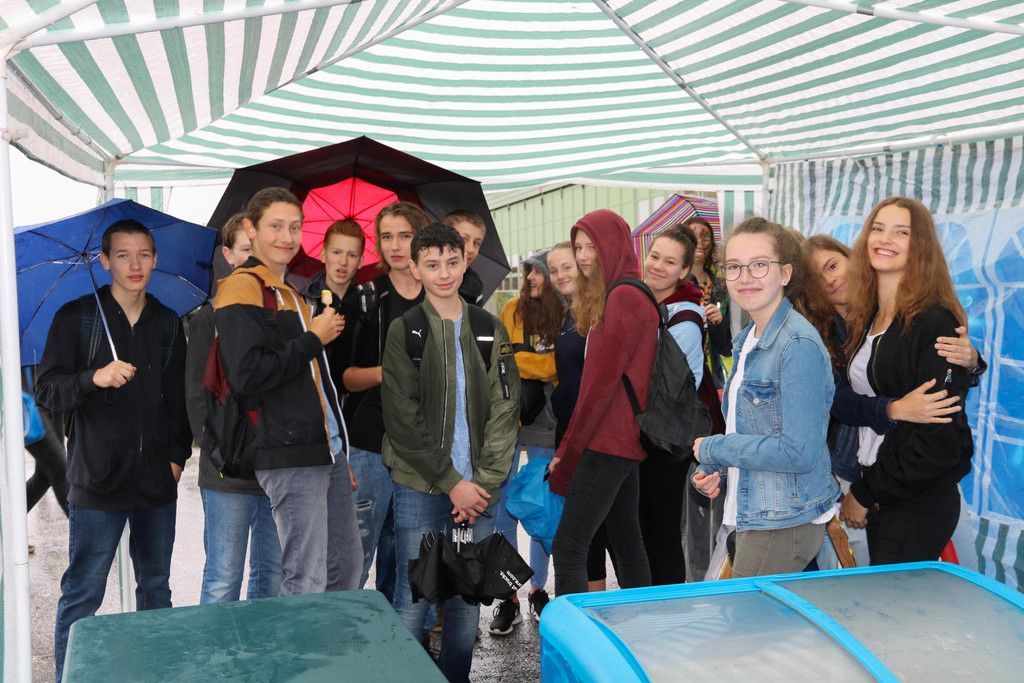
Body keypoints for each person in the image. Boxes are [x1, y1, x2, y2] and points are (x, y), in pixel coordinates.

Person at [37, 219, 190, 681]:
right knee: (83, 592)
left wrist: (177, 458)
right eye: (122, 255)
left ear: (155, 259)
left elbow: (177, 400)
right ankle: (67, 676)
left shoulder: (167, 321)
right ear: (105, 261)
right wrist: (93, 377)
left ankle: (156, 674)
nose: (134, 264)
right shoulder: (77, 318)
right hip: (97, 480)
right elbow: (48, 391)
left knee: (156, 589)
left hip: (156, 482)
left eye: (143, 254)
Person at [381, 222, 520, 682]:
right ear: (415, 268)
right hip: (420, 485)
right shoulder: (405, 331)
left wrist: (482, 482)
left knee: (466, 599)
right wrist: (451, 482)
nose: (443, 273)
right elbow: (402, 420)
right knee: (413, 599)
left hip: (479, 490)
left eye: (452, 262)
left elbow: (506, 408)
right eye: (432, 264)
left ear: (465, 264)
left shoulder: (489, 328)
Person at [798, 234, 983, 568]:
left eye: (833, 265)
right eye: (818, 279)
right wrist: (892, 409)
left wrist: (971, 361)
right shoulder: (821, 339)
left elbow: (939, 380)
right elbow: (839, 401)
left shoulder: (903, 314)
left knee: (962, 565)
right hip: (863, 472)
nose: (831, 279)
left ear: (852, 258)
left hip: (924, 463)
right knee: (874, 574)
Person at [214, 187, 360, 596]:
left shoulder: (290, 291)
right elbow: (247, 375)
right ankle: (300, 643)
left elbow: (318, 383)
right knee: (305, 577)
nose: (287, 237)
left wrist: (338, 448)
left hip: (324, 449)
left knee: (346, 568)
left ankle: (324, 639)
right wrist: (313, 339)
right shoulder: (242, 286)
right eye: (276, 226)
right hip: (288, 451)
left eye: (294, 227)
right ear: (251, 229)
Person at [690, 217, 837, 578]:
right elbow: (754, 430)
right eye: (734, 266)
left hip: (781, 522)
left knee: (743, 616)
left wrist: (716, 448)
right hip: (756, 513)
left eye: (759, 264)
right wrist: (717, 467)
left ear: (786, 273)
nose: (745, 277)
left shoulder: (796, 344)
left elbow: (798, 451)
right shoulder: (749, 340)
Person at [836, 197, 975, 565]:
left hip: (916, 501)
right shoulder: (868, 317)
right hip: (884, 490)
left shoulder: (934, 322)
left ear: (920, 246)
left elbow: (938, 442)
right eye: (878, 229)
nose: (885, 239)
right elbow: (845, 400)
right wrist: (893, 409)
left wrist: (866, 492)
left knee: (894, 601)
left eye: (902, 232)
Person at [549, 209, 657, 597]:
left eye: (591, 246)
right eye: (578, 246)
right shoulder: (621, 292)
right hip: (622, 440)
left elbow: (597, 388)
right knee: (626, 540)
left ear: (612, 245)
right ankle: (641, 623)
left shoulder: (623, 296)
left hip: (609, 441)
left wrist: (568, 451)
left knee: (569, 546)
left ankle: (570, 635)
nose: (582, 256)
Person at [186, 212, 281, 604]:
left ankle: (262, 644)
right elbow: (195, 394)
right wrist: (214, 446)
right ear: (227, 255)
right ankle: (217, 647)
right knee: (224, 576)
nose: (254, 258)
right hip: (226, 468)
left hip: (276, 466)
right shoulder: (210, 316)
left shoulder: (283, 308)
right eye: (245, 250)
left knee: (271, 574)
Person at [343, 201, 432, 600]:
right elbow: (345, 377)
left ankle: (400, 632)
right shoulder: (366, 297)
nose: (395, 245)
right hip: (370, 443)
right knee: (356, 556)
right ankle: (348, 631)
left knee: (406, 558)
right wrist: (386, 372)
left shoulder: (441, 297)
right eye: (386, 236)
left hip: (422, 448)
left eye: (405, 235)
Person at [490, 250, 560, 632]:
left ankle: (538, 589)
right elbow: (500, 358)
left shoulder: (562, 313)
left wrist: (524, 363)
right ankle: (508, 596)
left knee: (540, 506)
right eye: (529, 271)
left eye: (538, 272)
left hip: (546, 420)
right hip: (507, 417)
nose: (531, 278)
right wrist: (534, 364)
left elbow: (557, 366)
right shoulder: (511, 311)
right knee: (502, 509)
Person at [637, 227, 706, 584]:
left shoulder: (685, 319)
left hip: (665, 439)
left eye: (670, 262)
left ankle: (667, 605)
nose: (658, 266)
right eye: (654, 257)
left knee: (661, 533)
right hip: (643, 435)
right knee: (644, 531)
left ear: (684, 271)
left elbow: (670, 387)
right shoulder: (646, 303)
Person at [546, 242, 615, 593]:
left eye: (566, 266)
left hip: (591, 434)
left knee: (597, 529)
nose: (560, 275)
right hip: (570, 431)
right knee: (589, 532)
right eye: (553, 270)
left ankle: (598, 605)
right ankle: (593, 602)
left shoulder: (598, 314)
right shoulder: (569, 315)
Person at [302, 219, 365, 390]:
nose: (343, 262)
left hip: (353, 397)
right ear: (323, 255)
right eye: (336, 252)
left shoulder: (367, 304)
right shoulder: (305, 301)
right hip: (313, 393)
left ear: (361, 261)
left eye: (352, 255)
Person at [682, 216, 732, 387]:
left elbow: (726, 346)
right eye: (694, 236)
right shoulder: (675, 283)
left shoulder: (720, 286)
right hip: (681, 374)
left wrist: (719, 322)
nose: (700, 242)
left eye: (705, 237)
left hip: (712, 377)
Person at [443, 210, 487, 305]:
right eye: (463, 239)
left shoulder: (475, 290)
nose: (471, 249)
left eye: (476, 243)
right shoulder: (419, 281)